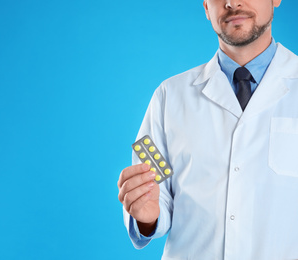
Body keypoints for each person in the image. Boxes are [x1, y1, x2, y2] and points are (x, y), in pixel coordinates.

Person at [117, 0, 298, 259]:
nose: (232, 2)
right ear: (205, 7)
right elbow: (156, 203)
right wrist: (147, 216)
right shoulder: (169, 96)